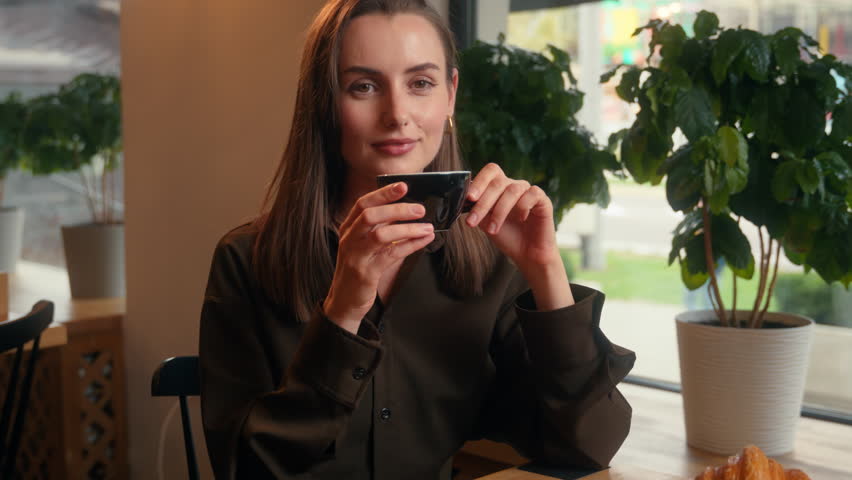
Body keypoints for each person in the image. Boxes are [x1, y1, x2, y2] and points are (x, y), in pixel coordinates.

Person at [199, 0, 636, 479]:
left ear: (450, 94)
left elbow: (589, 445)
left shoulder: (486, 265)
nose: (397, 114)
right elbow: (245, 470)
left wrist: (546, 269)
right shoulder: (244, 261)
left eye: (420, 83)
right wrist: (342, 314)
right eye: (363, 86)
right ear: (324, 101)